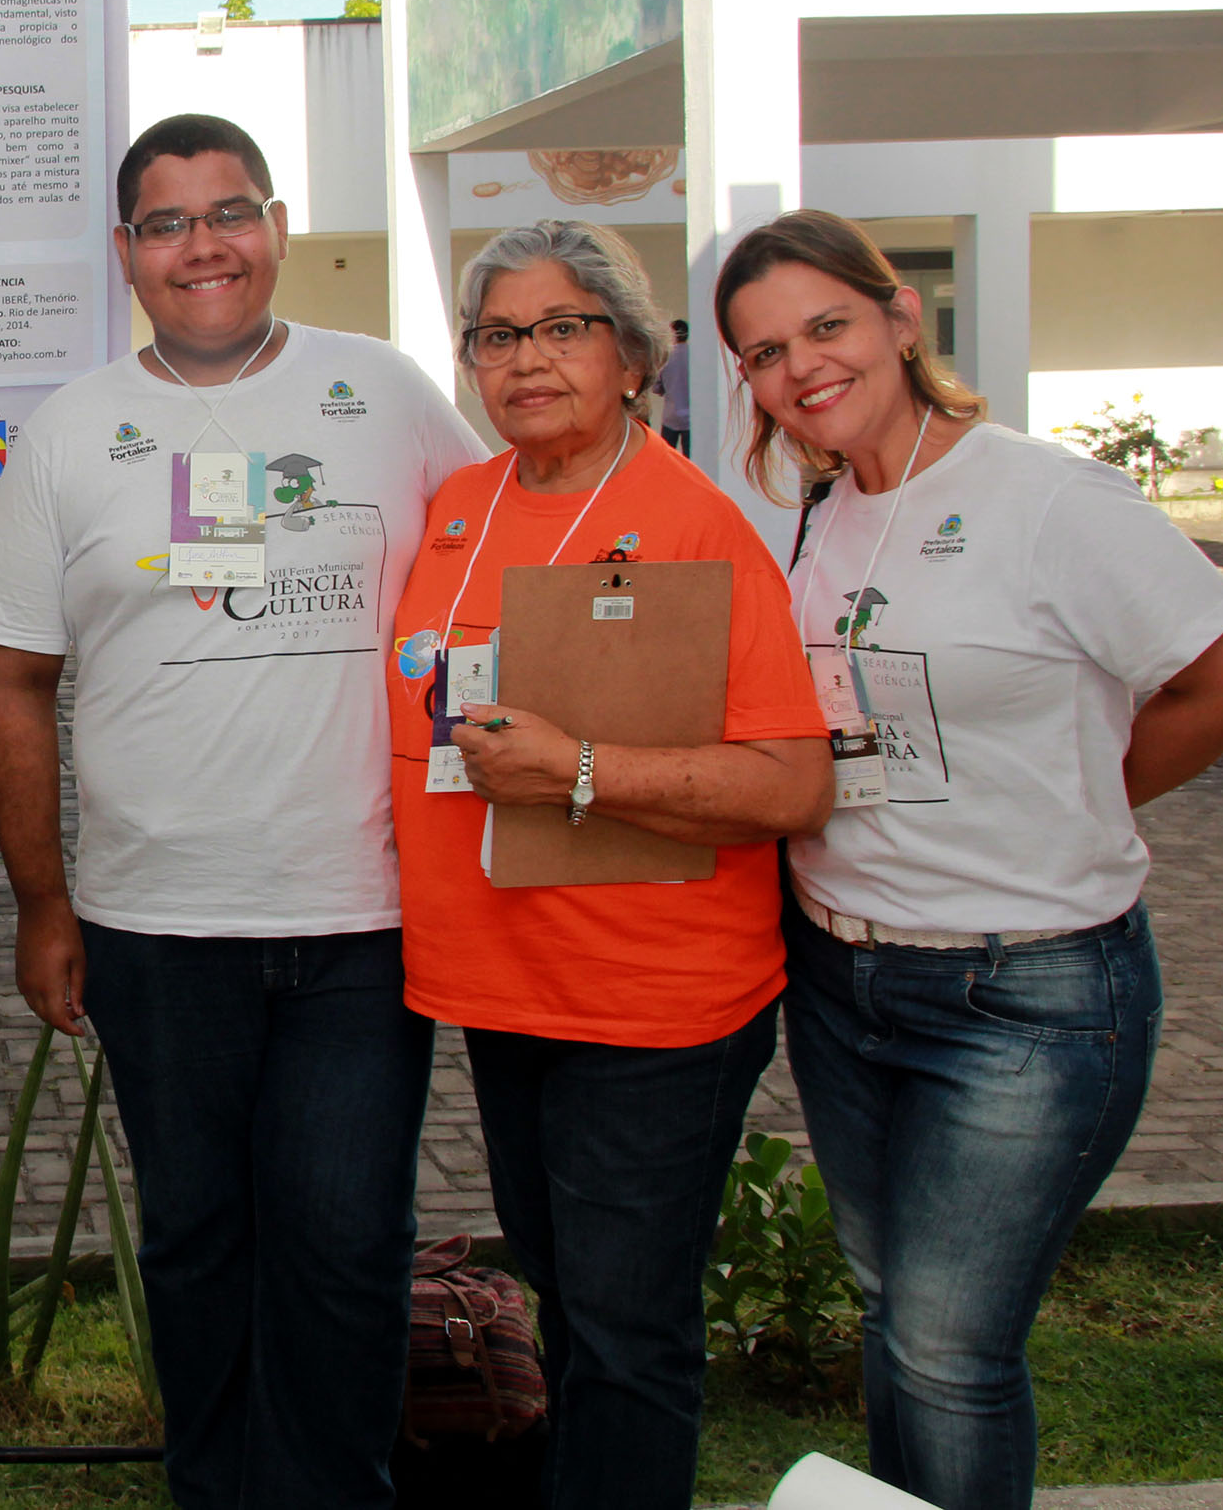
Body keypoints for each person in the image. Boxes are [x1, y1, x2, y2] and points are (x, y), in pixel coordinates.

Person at [0, 113, 487, 1510]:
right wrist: (39, 900)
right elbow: (11, 677)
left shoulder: (381, 395)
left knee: (341, 1246)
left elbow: (505, 551)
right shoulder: (72, 435)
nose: (203, 246)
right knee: (195, 1244)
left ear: (273, 223)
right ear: (125, 253)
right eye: (166, 223)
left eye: (228, 211)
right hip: (153, 929)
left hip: (361, 923)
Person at [716, 209, 1223, 1510]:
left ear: (898, 320)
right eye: (760, 352)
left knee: (947, 1343)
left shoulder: (1042, 495)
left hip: (1022, 997)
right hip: (843, 984)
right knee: (889, 1318)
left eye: (823, 326)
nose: (797, 368)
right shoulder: (813, 517)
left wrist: (1085, 788)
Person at [386, 219, 830, 1510]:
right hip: (500, 985)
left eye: (560, 326)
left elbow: (790, 781)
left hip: (650, 1008)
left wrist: (580, 771)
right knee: (567, 1311)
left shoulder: (692, 526)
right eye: (495, 334)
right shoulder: (458, 507)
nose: (524, 358)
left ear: (631, 354)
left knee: (626, 1338)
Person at [656, 318, 691, 456]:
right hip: (691, 418)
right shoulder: (694, 355)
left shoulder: (666, 357)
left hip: (670, 416)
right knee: (690, 460)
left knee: (665, 457)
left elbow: (656, 387)